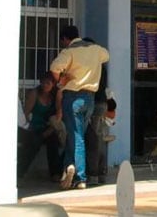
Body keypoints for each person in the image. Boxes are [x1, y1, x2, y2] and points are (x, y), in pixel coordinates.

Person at [50, 25, 110, 190]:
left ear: (65, 39)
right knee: (76, 135)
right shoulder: (96, 49)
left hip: (72, 97)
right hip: (90, 99)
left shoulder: (69, 51)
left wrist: (60, 80)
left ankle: (80, 177)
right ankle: (69, 166)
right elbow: (106, 56)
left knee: (77, 137)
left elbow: (54, 67)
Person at [17, 72, 64, 180]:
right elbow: (25, 113)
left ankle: (55, 173)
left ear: (53, 84)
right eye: (43, 83)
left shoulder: (55, 95)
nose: (45, 86)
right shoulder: (35, 93)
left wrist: (50, 129)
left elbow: (58, 115)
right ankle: (20, 173)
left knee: (53, 142)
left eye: (48, 83)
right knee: (35, 142)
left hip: (49, 127)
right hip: (34, 128)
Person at [83, 37, 112, 186]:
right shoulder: (101, 65)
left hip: (94, 103)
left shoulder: (93, 66)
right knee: (99, 138)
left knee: (94, 139)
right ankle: (101, 173)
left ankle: (94, 173)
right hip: (101, 103)